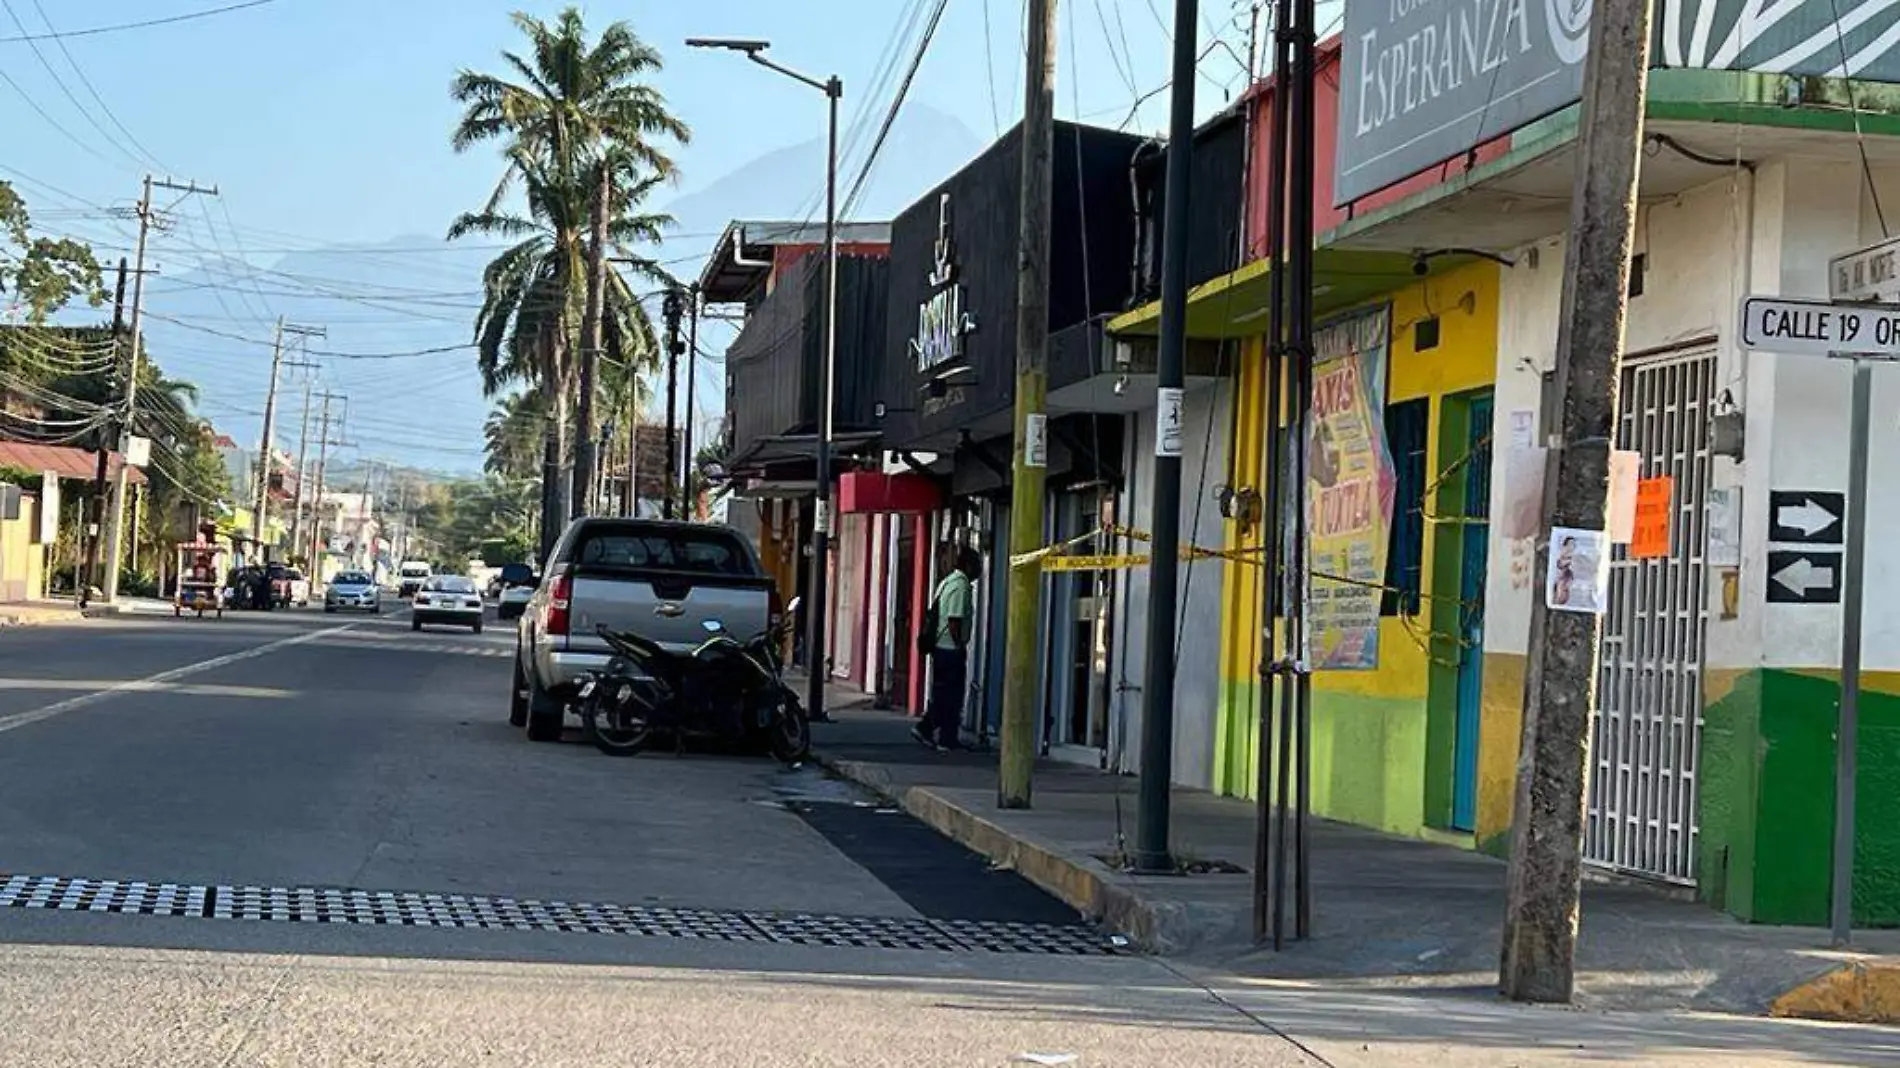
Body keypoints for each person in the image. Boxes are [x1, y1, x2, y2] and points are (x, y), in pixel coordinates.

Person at [913, 542, 977, 752]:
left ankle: (939, 733)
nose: (979, 571)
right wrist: (959, 645)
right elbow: (954, 620)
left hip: (941, 648)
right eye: (977, 566)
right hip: (950, 649)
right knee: (951, 695)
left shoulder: (946, 581)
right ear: (967, 565)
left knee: (943, 692)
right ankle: (938, 733)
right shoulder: (961, 585)